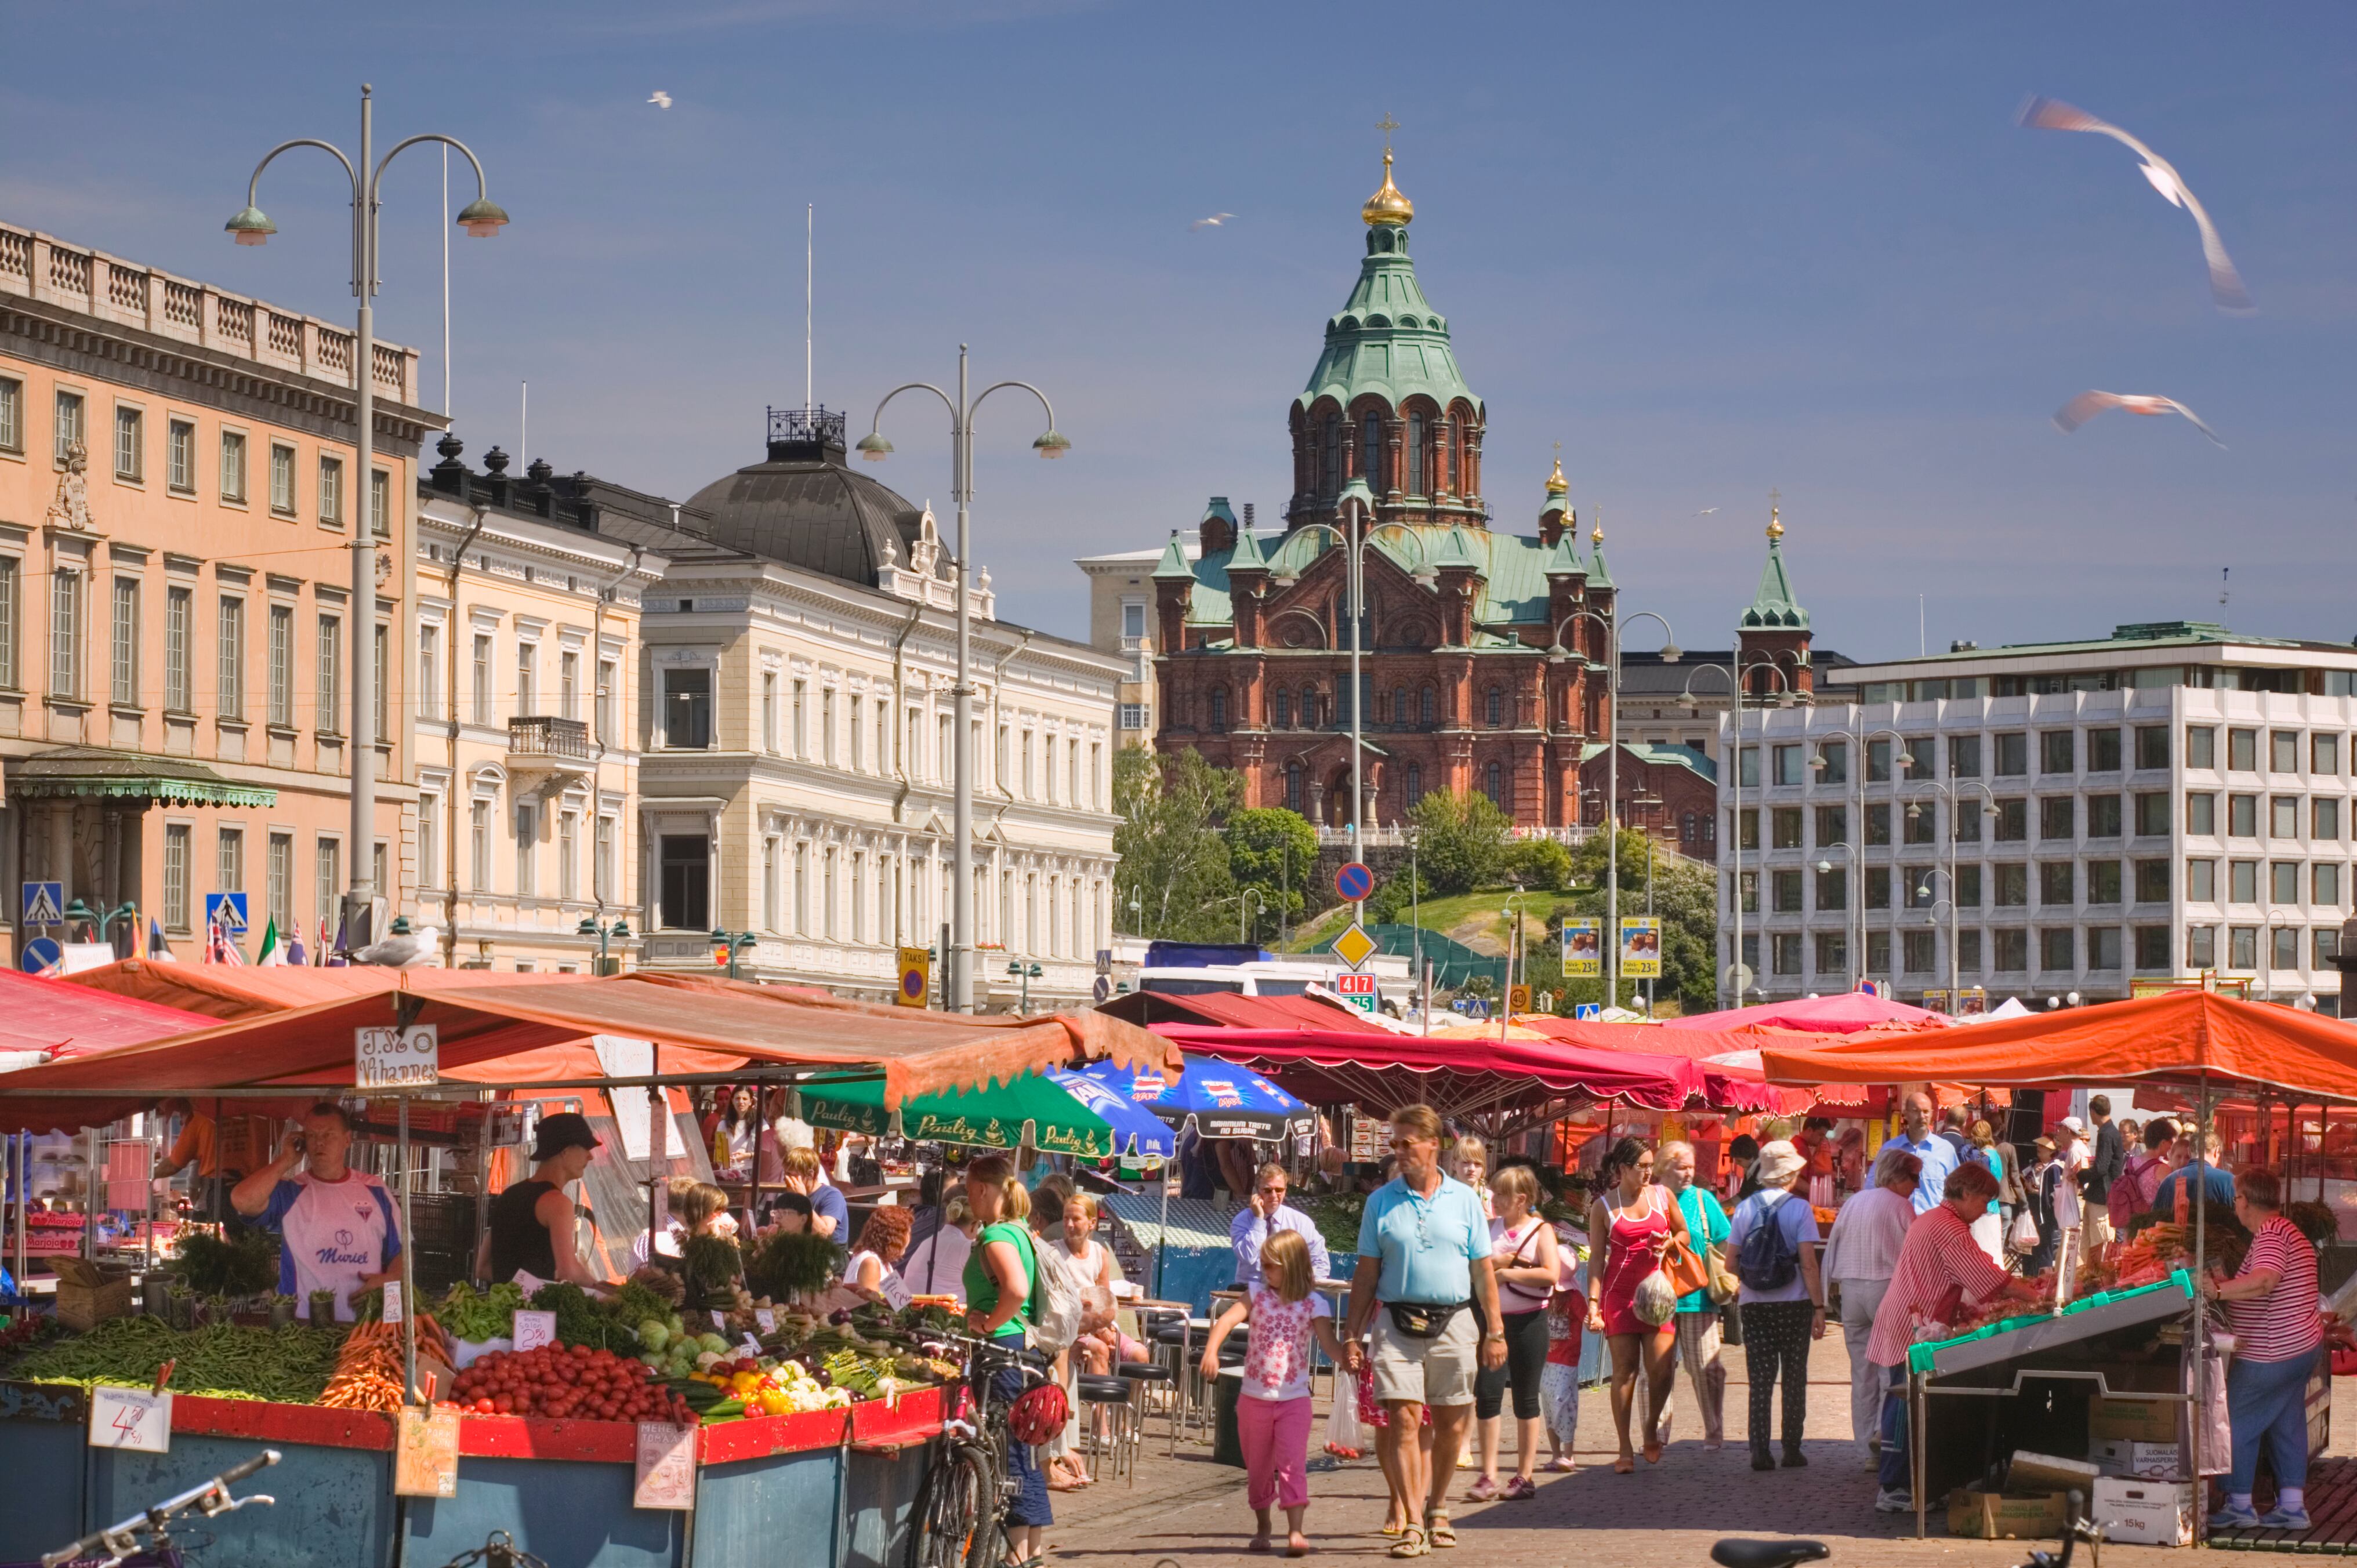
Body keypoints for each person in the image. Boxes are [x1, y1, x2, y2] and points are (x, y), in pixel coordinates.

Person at [1343, 1103, 1507, 1558]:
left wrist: (1495, 1329)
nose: (1398, 1151)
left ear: (1434, 1144)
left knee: (1452, 1422)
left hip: (1454, 1321)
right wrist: (1353, 1333)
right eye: (1394, 1143)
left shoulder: (1465, 1200)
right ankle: (1414, 1520)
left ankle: (1438, 1507)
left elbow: (1482, 1271)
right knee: (1404, 1419)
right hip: (1395, 1321)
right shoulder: (1381, 1201)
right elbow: (1366, 1273)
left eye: (1406, 1143)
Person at [1866, 1162, 2013, 1514]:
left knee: (1909, 1401)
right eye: (1983, 1201)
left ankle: (1913, 1482)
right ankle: (1894, 1487)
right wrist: (2039, 1293)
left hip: (1913, 1318)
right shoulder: (1948, 1227)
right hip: (1912, 1324)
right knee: (1904, 1404)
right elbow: (1987, 1276)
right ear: (1965, 1194)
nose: (1985, 1210)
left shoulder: (1935, 1218)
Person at [1202, 1229, 1346, 1557]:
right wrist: (1212, 1350)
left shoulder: (1314, 1304)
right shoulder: (1256, 1295)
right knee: (1257, 1470)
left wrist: (1349, 1358)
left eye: (1270, 1266)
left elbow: (1329, 1346)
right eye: (1263, 1265)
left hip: (1294, 1400)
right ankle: (1263, 1526)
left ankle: (1296, 1531)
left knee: (1293, 1464)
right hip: (1253, 1399)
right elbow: (1225, 1322)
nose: (1264, 1271)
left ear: (1292, 1265)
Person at [2204, 1168, 2323, 1531]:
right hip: (2300, 1347)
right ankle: (2291, 1505)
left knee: (2237, 1418)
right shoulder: (2286, 1231)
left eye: (2236, 1197)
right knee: (2286, 1423)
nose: (2235, 1204)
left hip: (2273, 1351)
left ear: (2244, 1201)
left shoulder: (2271, 1233)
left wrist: (2219, 1292)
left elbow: (2266, 1280)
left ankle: (2240, 1503)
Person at [230, 1102, 401, 1323]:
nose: (320, 1142)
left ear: (347, 1140)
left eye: (328, 1135)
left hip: (366, 1324)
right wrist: (286, 1160)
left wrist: (392, 1278)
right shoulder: (291, 1192)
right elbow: (242, 1201)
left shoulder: (376, 1189)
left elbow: (401, 1250)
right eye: (311, 1136)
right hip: (300, 1323)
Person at [963, 1155, 1050, 1563]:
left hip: (1002, 1351)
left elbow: (1015, 1289)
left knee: (1010, 1449)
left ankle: (1014, 1556)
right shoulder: (1020, 1231)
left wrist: (987, 1324)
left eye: (968, 1190)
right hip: (1026, 1352)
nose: (968, 1198)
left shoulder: (997, 1235)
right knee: (1026, 1449)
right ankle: (1031, 1551)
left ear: (981, 1189)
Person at [1585, 1137, 1689, 1475]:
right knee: (1624, 1372)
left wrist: (1671, 1243)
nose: (1648, 1172)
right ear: (1622, 1169)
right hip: (1620, 1296)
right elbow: (1597, 1260)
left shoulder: (1662, 1195)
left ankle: (1649, 1431)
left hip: (1657, 1296)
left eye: (1650, 1166)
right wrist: (1593, 1304)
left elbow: (1685, 1234)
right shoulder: (1603, 1206)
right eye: (1642, 1166)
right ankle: (1625, 1446)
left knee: (1662, 1370)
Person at [1729, 1140, 1826, 1471]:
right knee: (1794, 1376)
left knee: (1760, 1379)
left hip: (1754, 1304)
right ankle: (1792, 1449)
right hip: (1794, 1303)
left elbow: (1731, 1262)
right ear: (1789, 1173)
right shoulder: (1799, 1209)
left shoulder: (1744, 1208)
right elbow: (1809, 1264)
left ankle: (1759, 1449)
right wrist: (1819, 1307)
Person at [1470, 1164, 1559, 1501]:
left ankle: (1524, 1475)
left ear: (1521, 1199)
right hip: (1492, 1323)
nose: (1495, 1200)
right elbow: (1474, 1267)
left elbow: (1550, 1274)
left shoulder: (1541, 1231)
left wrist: (1509, 1274)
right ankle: (1488, 1474)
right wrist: (1497, 1264)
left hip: (1530, 1323)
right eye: (1494, 1193)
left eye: (1502, 1195)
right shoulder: (1488, 1228)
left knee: (1525, 1397)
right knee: (1488, 1393)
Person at [1823, 1147, 1919, 1458]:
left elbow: (1832, 1245)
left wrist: (1827, 1292)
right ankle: (1884, 1436)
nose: (1917, 1185)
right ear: (1899, 1176)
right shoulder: (1901, 1207)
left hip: (1851, 1290)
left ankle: (1867, 1449)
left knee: (1861, 1371)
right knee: (1888, 1370)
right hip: (1886, 1289)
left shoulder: (1854, 1202)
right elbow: (1914, 1256)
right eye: (1914, 1178)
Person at [1652, 1139, 1732, 1452]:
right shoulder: (1651, 1199)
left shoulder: (1704, 1200)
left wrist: (1722, 1273)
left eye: (1691, 1167)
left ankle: (1714, 1429)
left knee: (1707, 1367)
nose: (1688, 1173)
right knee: (1656, 1370)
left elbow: (1725, 1241)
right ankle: (1656, 1435)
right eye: (1681, 1167)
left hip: (1698, 1295)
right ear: (1663, 1168)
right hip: (1658, 1297)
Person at [478, 1112, 608, 1290]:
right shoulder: (558, 1204)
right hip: (541, 1313)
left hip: (501, 1311)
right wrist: (602, 1288)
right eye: (586, 1147)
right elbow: (568, 1272)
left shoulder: (509, 1196)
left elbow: (482, 1269)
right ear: (565, 1151)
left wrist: (513, 1284)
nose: (590, 1156)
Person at [1232, 1162, 1333, 1288]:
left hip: (1287, 1292)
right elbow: (1248, 1257)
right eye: (1268, 1190)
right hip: (1248, 1289)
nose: (1274, 1196)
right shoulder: (1242, 1220)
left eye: (1279, 1190)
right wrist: (1259, 1219)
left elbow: (1320, 1260)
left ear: (1285, 1191)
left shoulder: (1300, 1222)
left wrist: (1302, 1287)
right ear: (1257, 1192)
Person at [1539, 1213, 1585, 1473]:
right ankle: (1556, 1454)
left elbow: (1588, 1319)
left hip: (1566, 1361)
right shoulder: (1544, 1292)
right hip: (1545, 1359)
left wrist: (1597, 1321)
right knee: (1547, 1404)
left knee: (1563, 1403)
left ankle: (1568, 1453)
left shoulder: (1574, 1297)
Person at [1891, 1092, 1960, 1214]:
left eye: (1926, 1111)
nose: (1921, 1116)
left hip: (1933, 1228)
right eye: (1915, 1111)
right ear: (1905, 1114)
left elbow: (1957, 1192)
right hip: (1897, 1224)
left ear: (1932, 1114)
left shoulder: (1946, 1150)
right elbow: (1873, 1188)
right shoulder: (1891, 1150)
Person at [901, 1193, 976, 1302]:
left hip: (908, 1305)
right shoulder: (966, 1247)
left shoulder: (929, 1240)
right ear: (974, 1225)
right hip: (938, 1310)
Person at [2111, 1118, 2177, 1235]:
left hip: (2130, 1224)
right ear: (2163, 1143)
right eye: (2170, 1143)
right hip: (2150, 1227)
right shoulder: (2163, 1169)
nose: (2170, 1147)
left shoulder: (2130, 1162)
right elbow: (2169, 1202)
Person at [2152, 1130, 2235, 1215]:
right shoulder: (2229, 1181)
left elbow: (2155, 1218)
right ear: (2216, 1151)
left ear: (2189, 1151)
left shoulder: (2169, 1181)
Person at [2084, 1094, 2125, 1257]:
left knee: (2100, 1247)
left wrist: (2081, 1175)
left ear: (2093, 1111)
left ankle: (2099, 1280)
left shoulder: (2106, 1133)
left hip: (2102, 1196)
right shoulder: (2109, 1131)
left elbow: (2101, 1167)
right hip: (2100, 1195)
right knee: (2091, 1246)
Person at [846, 1205, 913, 1302]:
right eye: (907, 1233)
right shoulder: (871, 1262)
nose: (909, 1239)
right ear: (894, 1236)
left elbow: (901, 1303)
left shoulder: (884, 1263)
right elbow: (871, 1307)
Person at [777, 1146, 848, 1239]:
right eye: (785, 1174)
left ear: (810, 1174)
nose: (786, 1179)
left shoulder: (832, 1196)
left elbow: (824, 1233)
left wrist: (802, 1199)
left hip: (827, 1252)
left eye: (791, 1175)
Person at [2022, 1137, 2063, 1275]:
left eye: (2043, 1147)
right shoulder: (2035, 1164)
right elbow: (2023, 1177)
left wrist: (2035, 1191)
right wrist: (2032, 1171)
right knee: (2034, 1246)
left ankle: (2044, 1279)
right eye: (2039, 1146)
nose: (2039, 1148)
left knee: (2044, 1247)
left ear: (2051, 1150)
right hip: (2034, 1209)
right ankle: (2031, 1276)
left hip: (2045, 1214)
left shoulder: (2054, 1168)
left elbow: (2054, 1192)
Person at [710, 1086, 760, 1180]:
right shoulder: (723, 1125)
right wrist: (726, 1164)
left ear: (751, 1102)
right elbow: (720, 1155)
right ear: (732, 1101)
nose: (741, 1102)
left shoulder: (760, 1124)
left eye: (745, 1099)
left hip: (754, 1173)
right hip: (730, 1174)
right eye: (738, 1098)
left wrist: (748, 1155)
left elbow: (767, 1153)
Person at [1452, 1137, 1493, 1218]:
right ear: (1453, 1164)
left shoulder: (1492, 1198)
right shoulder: (1443, 1196)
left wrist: (1493, 1222)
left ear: (1483, 1167)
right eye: (1466, 1162)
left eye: (1478, 1164)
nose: (1472, 1169)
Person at [1722, 1134, 1760, 1203]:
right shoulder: (1750, 1169)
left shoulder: (1760, 1172)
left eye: (1739, 1161)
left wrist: (1719, 1206)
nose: (1736, 1163)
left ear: (1751, 1157)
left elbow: (1743, 1197)